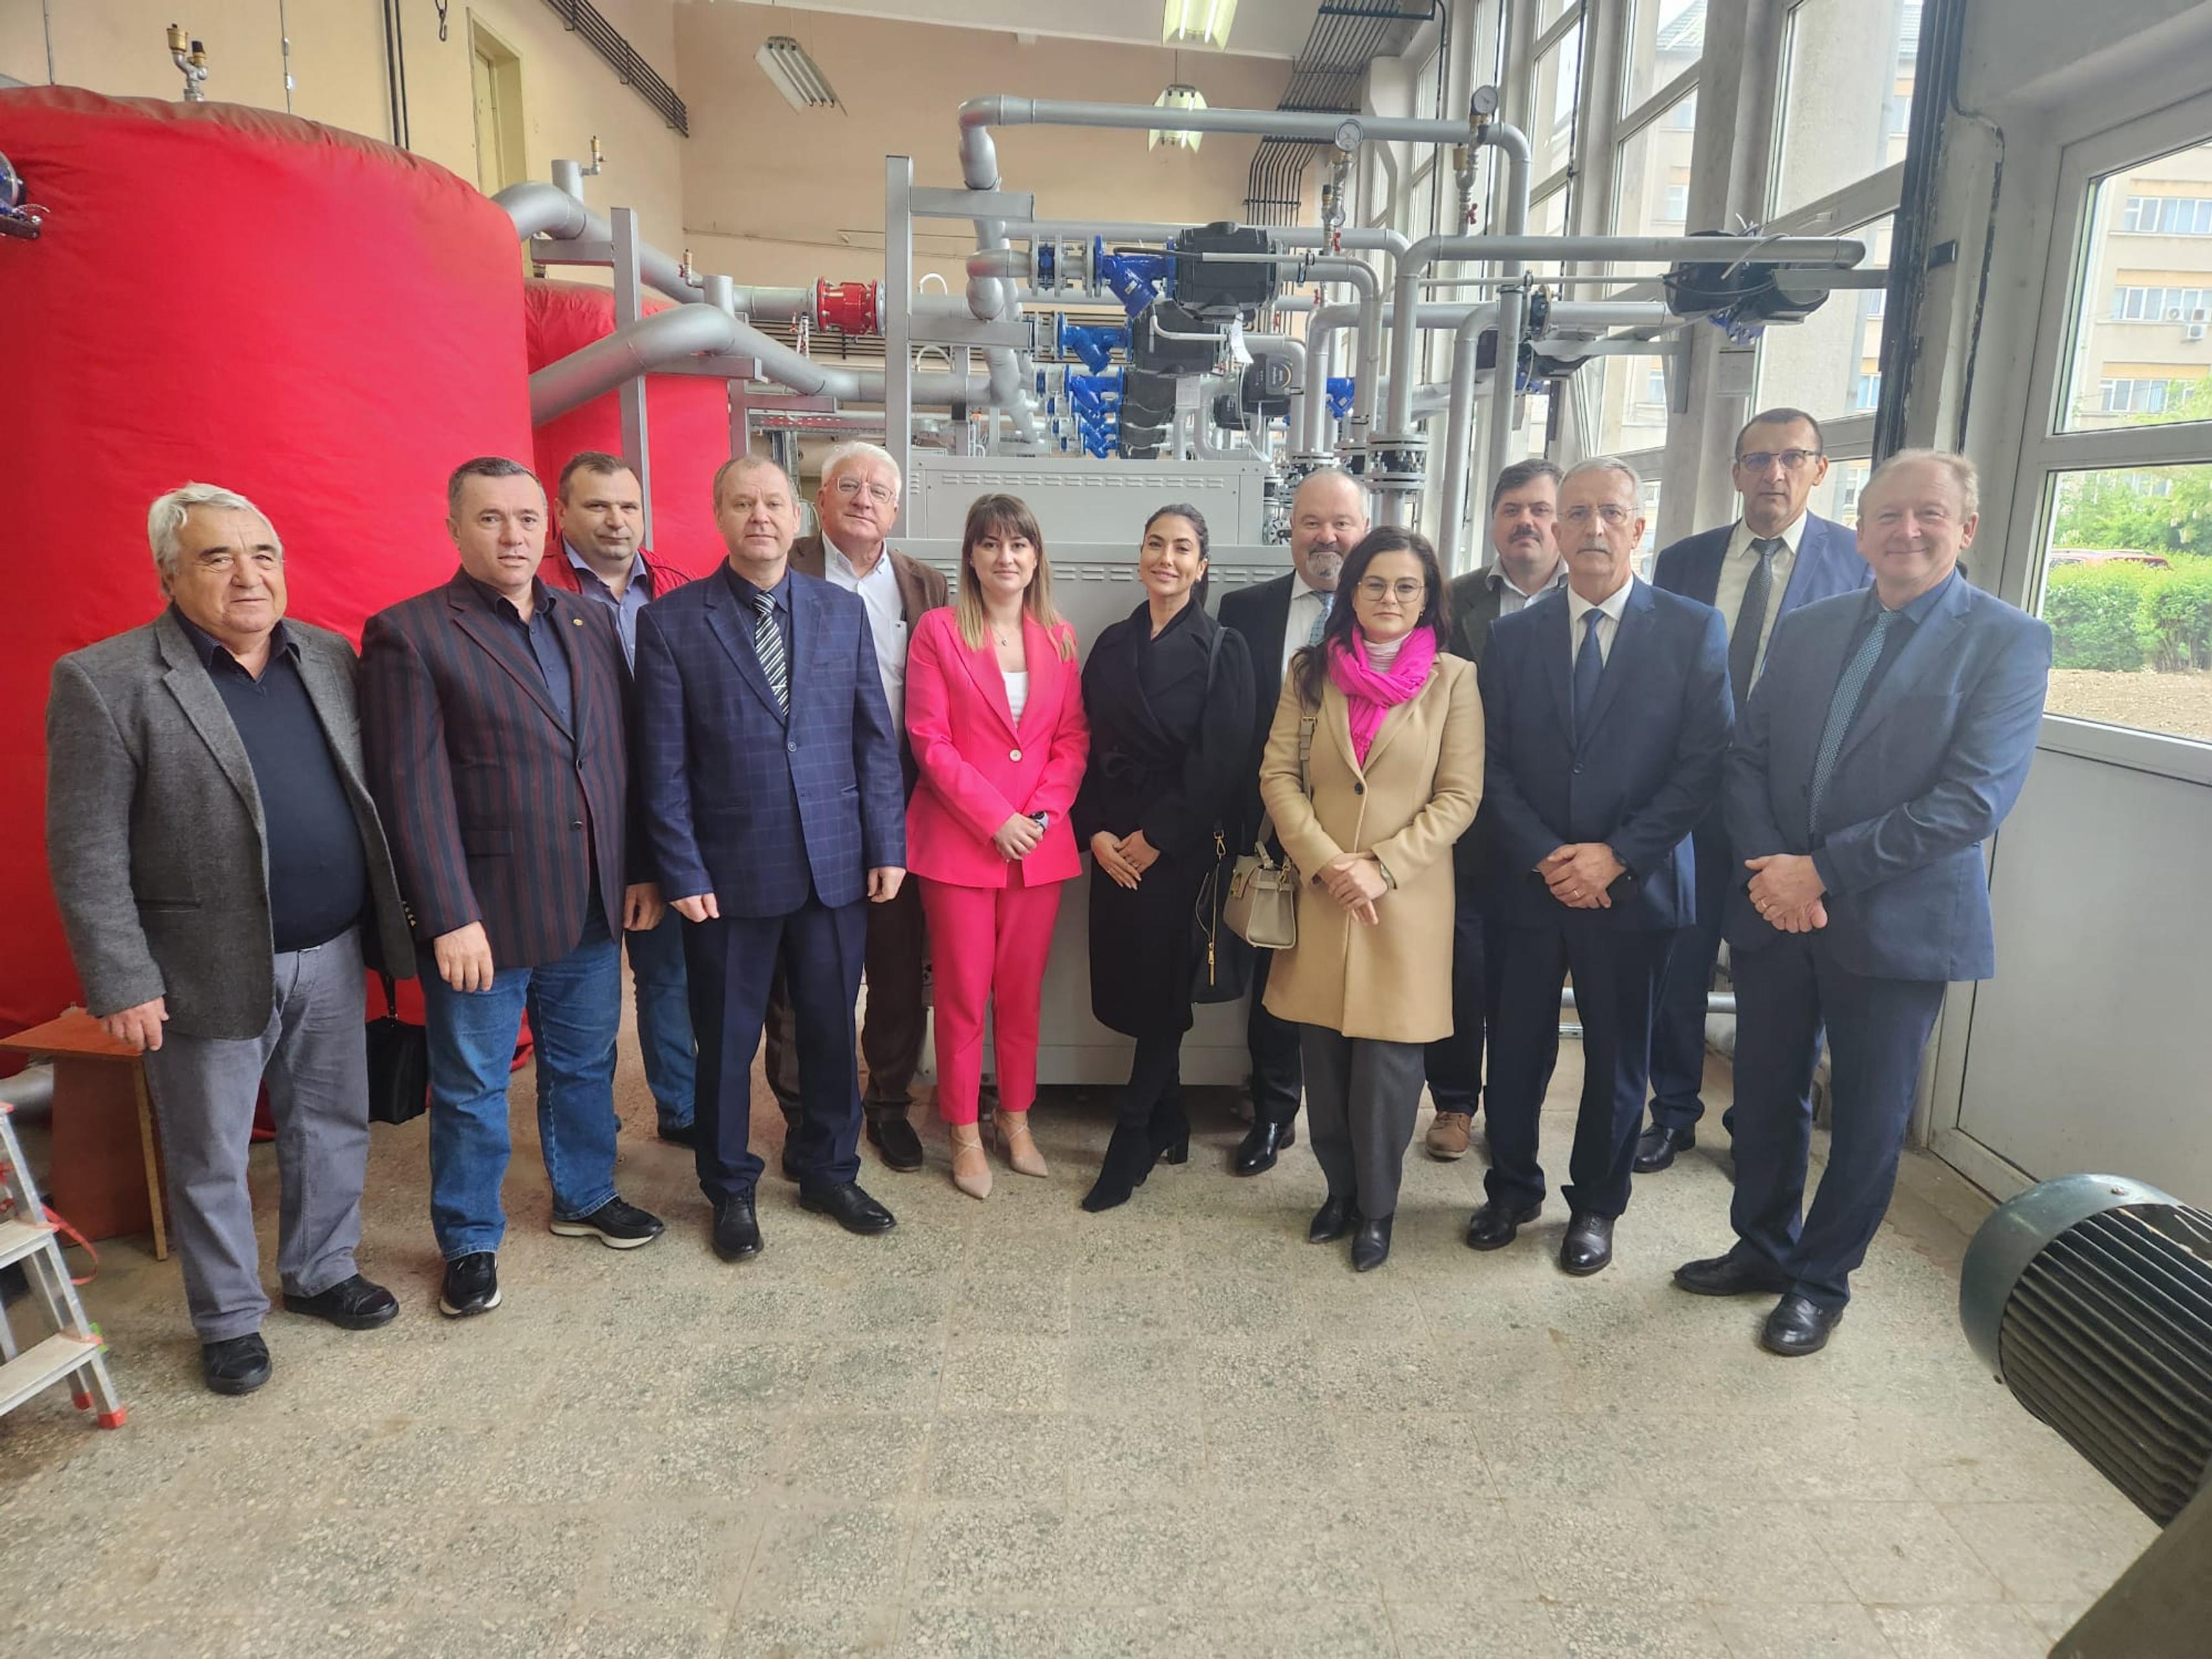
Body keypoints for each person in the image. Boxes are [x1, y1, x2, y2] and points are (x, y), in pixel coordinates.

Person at [1675, 450, 2050, 1356]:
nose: (1906, 532)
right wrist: (1775, 867)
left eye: (1928, 516)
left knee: (1869, 1118)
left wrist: (1821, 873)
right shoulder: (1809, 628)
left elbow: (1972, 801)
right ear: (1859, 528)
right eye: (1886, 516)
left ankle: (1819, 1281)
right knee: (1764, 1096)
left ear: (1964, 528)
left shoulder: (2007, 639)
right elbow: (1746, 757)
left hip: (1897, 925)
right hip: (1775, 909)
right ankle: (1761, 1246)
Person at [45, 484, 415, 1396]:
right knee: (210, 1151)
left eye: (264, 555)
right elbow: (85, 850)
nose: (249, 575)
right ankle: (228, 1320)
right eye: (218, 557)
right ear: (169, 572)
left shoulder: (327, 655)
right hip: (198, 969)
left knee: (330, 1127)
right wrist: (122, 979)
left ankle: (323, 1271)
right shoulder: (108, 680)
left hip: (330, 949)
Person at [362, 458, 667, 1322]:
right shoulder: (411, 633)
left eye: (527, 519)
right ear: (454, 529)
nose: (514, 536)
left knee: (585, 1066)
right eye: (492, 519)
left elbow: (615, 759)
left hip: (591, 904)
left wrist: (637, 866)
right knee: (471, 1087)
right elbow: (411, 791)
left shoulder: (587, 619)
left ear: (550, 527)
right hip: (484, 921)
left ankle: (583, 1195)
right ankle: (468, 1238)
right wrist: (447, 915)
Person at [632, 456, 909, 1262]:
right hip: (727, 878)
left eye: (773, 503)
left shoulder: (837, 613)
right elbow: (663, 763)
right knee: (725, 1042)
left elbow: (871, 740)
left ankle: (829, 1168)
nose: (760, 516)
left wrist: (886, 843)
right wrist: (680, 868)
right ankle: (729, 1187)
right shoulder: (673, 622)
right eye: (743, 503)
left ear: (799, 517)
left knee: (829, 1028)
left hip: (834, 870)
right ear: (718, 515)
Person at [1467, 458, 1731, 1277]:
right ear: (1552, 526)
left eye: (1608, 513)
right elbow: (1490, 764)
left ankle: (1595, 1207)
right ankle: (1510, 1188)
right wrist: (1547, 854)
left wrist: (1616, 855)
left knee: (1618, 1057)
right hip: (1528, 882)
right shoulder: (1512, 638)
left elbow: (1702, 763)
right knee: (1513, 1051)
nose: (1589, 529)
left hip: (1634, 886)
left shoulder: (1691, 630)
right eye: (1572, 513)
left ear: (1637, 526)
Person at [1636, 410, 1872, 1174]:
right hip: (1692, 795)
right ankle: (1671, 1111)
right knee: (1678, 958)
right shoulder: (1682, 560)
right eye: (1758, 460)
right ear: (1735, 472)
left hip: (1789, 806)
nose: (1774, 474)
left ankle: (1761, 1125)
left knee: (1776, 969)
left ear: (1818, 470)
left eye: (1791, 459)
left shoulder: (1854, 561)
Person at [1258, 528, 1482, 1271]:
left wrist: (1380, 866)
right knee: (1321, 1057)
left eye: (1406, 586)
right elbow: (1278, 778)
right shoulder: (1310, 674)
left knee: (1388, 1066)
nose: (1389, 598)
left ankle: (1378, 1209)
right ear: (1349, 592)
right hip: (1324, 896)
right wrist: (1326, 862)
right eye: (1375, 584)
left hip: (1403, 902)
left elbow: (1458, 797)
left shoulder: (1454, 681)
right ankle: (1338, 1190)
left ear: (1427, 599)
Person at [765, 440, 948, 1176]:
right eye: (849, 486)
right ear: (820, 499)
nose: (863, 499)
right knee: (802, 970)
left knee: (898, 962)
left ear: (895, 508)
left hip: (900, 792)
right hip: (802, 795)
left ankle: (888, 1103)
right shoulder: (787, 566)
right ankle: (804, 1110)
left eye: (878, 490)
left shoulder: (924, 583)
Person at [903, 494, 1090, 1198]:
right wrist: (994, 819)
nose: (1004, 557)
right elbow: (929, 739)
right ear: (971, 556)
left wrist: (1038, 814)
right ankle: (960, 1128)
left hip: (1038, 848)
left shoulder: (1060, 636)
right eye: (989, 544)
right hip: (960, 845)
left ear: (1035, 555)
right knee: (959, 995)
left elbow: (1070, 739)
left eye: (1017, 544)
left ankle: (1015, 1119)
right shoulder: (939, 631)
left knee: (1020, 994)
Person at [1072, 504, 1253, 1212]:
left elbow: (1221, 761)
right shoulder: (1111, 644)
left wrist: (1155, 838)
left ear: (1201, 566)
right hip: (1111, 842)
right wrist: (1094, 832)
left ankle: (1133, 1134)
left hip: (1173, 849)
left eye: (1182, 548)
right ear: (1139, 555)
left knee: (1161, 992)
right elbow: (1080, 742)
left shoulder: (1222, 648)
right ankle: (1172, 1116)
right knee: (1126, 983)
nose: (1166, 558)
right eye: (1155, 543)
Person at [539, 450, 702, 1150]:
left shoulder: (674, 587)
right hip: (575, 822)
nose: (616, 520)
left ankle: (681, 1107)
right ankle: (587, 1125)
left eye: (628, 506)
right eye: (598, 506)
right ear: (562, 513)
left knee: (668, 978)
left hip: (664, 811)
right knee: (585, 995)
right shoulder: (532, 588)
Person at [1218, 468, 1364, 1176]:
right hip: (1266, 826)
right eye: (1311, 522)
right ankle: (1273, 1112)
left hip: (1358, 833)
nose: (1326, 536)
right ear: (1290, 530)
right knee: (1272, 971)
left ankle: (1354, 1118)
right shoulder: (1243, 610)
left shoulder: (1388, 612)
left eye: (1341, 523)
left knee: (1351, 972)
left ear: (1363, 533)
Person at [1426, 457, 1568, 1161]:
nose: (1526, 522)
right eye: (1512, 508)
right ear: (1492, 520)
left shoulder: (1590, 600)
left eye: (1541, 508)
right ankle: (1453, 1103)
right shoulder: (1452, 601)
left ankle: (1518, 1112)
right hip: (1468, 822)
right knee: (1459, 967)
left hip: (1554, 831)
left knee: (1530, 987)